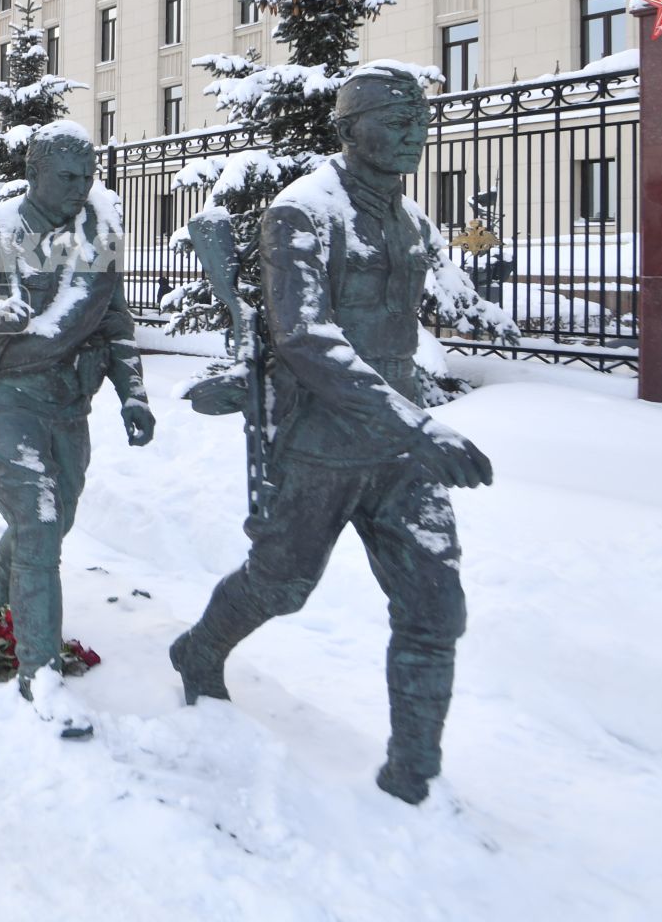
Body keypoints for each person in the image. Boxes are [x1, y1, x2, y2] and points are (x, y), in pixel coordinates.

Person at [169, 66, 494, 805]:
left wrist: (410, 425)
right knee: (281, 586)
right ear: (349, 129)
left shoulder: (411, 221)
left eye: (419, 120)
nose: (413, 133)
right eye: (395, 120)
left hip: (400, 450)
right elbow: (308, 339)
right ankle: (199, 650)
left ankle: (412, 774)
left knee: (435, 607)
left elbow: (397, 336)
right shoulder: (303, 213)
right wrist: (415, 423)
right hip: (323, 441)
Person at [0, 122, 153, 703]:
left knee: (53, 522)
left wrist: (134, 394)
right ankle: (40, 678)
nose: (80, 188)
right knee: (41, 526)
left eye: (88, 177)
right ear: (34, 173)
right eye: (67, 176)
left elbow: (116, 325)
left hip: (69, 403)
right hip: (1, 399)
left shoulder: (96, 238)